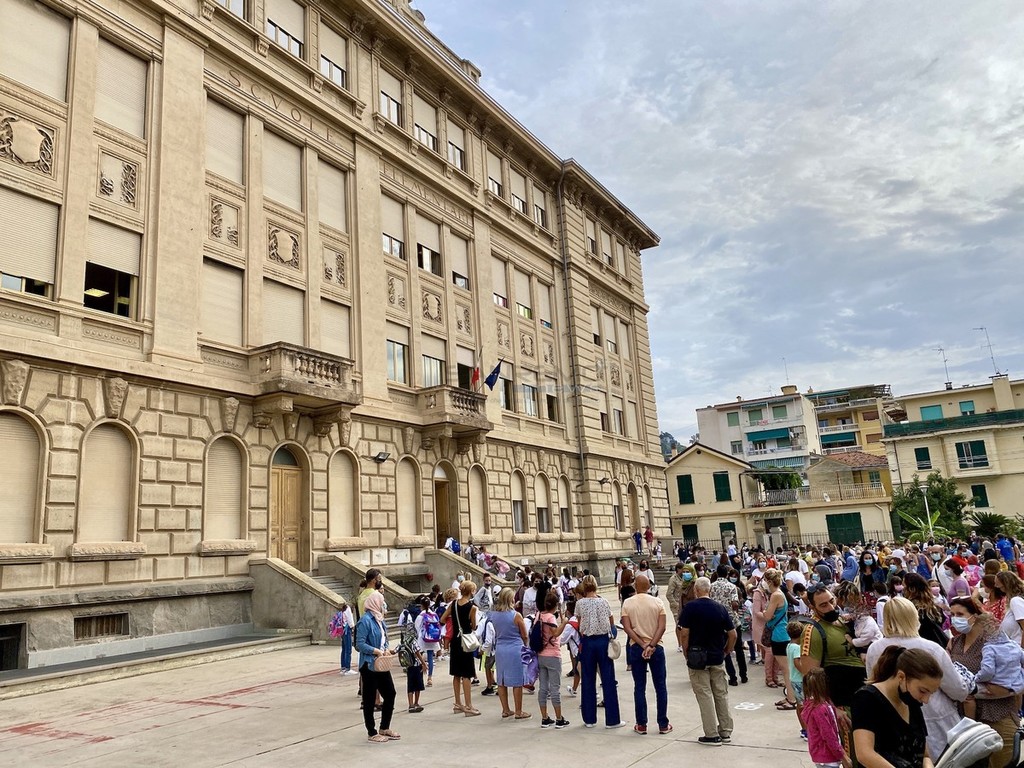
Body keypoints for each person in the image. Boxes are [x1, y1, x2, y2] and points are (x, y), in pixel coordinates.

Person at [865, 596, 970, 759]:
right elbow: (958, 690)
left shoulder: (874, 650)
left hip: (894, 727)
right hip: (937, 724)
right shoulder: (932, 649)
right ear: (914, 617)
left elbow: (875, 686)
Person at [947, 597, 1020, 767]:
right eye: (952, 614)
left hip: (998, 715)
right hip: (965, 719)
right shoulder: (955, 643)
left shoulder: (994, 641)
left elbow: (1013, 678)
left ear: (975, 615)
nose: (955, 619)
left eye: (960, 614)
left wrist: (977, 692)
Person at [852, 646, 941, 768]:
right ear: (901, 677)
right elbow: (864, 754)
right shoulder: (867, 698)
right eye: (922, 691)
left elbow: (925, 755)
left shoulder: (912, 702)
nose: (926, 700)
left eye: (931, 693)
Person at [678, 576, 735, 746]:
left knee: (704, 695)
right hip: (716, 655)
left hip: (697, 657)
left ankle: (711, 734)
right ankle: (725, 730)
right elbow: (733, 634)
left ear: (696, 590)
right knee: (721, 693)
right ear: (709, 590)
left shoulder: (690, 608)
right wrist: (727, 650)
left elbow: (684, 633)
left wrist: (686, 651)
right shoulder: (720, 608)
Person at [794, 585, 867, 711]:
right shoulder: (812, 631)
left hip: (861, 697)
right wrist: (833, 709)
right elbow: (810, 676)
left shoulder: (845, 621)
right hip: (841, 703)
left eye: (831, 601)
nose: (831, 607)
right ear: (812, 607)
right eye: (823, 605)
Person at [621, 574, 670, 735]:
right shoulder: (658, 602)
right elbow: (662, 627)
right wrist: (651, 645)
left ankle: (641, 724)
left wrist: (643, 644)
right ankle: (663, 724)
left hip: (637, 647)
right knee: (660, 686)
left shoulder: (628, 603)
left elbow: (627, 628)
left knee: (639, 686)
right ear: (649, 586)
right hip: (656, 647)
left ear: (635, 586)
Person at [576, 574, 624, 729]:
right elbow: (611, 622)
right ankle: (612, 719)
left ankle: (589, 718)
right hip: (603, 640)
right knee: (608, 679)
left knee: (588, 679)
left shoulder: (580, 603)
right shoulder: (604, 602)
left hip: (588, 641)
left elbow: (579, 623)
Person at [355, 591, 400, 744]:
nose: (383, 605)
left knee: (390, 693)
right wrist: (376, 651)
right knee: (369, 699)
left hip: (381, 663)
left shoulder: (380, 620)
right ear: (375, 603)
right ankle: (371, 731)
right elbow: (360, 644)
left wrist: (385, 648)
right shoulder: (365, 621)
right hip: (369, 664)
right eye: (382, 602)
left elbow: (384, 639)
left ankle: (384, 727)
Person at [439, 579, 480, 717]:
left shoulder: (453, 604)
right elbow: (474, 626)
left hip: (455, 641)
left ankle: (458, 703)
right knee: (467, 674)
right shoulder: (472, 607)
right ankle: (469, 705)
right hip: (465, 641)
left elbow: (442, 619)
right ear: (471, 591)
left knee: (456, 673)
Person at [489, 586, 531, 720]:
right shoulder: (516, 615)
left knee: (501, 680)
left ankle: (505, 709)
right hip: (515, 648)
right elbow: (524, 635)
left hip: (501, 648)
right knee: (517, 680)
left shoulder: (494, 615)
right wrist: (526, 646)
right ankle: (518, 711)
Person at [759, 569, 796, 709]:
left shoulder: (775, 595)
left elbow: (767, 616)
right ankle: (790, 696)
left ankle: (791, 699)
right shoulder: (779, 594)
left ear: (769, 581)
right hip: (781, 633)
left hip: (778, 635)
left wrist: (765, 612)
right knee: (786, 668)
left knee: (786, 669)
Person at [802, 667, 850, 768]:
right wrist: (843, 756)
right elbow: (828, 735)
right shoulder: (821, 709)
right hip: (828, 757)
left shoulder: (812, 705)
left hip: (821, 756)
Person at [535, 590, 570, 728]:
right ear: (555, 605)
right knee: (555, 688)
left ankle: (544, 717)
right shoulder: (550, 618)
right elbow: (555, 633)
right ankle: (559, 718)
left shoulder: (539, 615)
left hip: (541, 654)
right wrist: (564, 622)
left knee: (543, 688)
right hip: (553, 655)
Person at [710, 565, 746, 685]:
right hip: (732, 620)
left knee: (725, 650)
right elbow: (735, 603)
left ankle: (733, 677)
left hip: (717, 621)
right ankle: (743, 675)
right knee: (738, 648)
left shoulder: (711, 586)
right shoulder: (731, 586)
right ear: (727, 574)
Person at [665, 561, 689, 653]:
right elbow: (669, 594)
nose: (684, 571)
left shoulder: (685, 578)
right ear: (678, 569)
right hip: (676, 605)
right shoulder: (673, 579)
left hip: (684, 604)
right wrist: (676, 604)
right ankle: (680, 644)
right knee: (679, 625)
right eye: (683, 569)